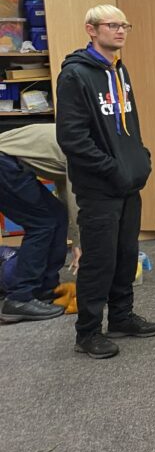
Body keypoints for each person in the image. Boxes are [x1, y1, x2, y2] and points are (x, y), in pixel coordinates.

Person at [56, 4, 155, 359]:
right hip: (99, 187)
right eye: (112, 25)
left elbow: (129, 123)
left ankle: (121, 317)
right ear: (91, 29)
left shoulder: (119, 69)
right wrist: (113, 168)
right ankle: (87, 333)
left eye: (124, 25)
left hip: (127, 183)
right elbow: (72, 139)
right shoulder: (75, 75)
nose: (120, 31)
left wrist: (140, 157)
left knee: (125, 254)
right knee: (100, 260)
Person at [0, 124, 80, 323]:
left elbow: (65, 191)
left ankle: (44, 288)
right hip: (4, 163)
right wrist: (79, 243)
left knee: (57, 216)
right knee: (41, 224)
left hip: (9, 162)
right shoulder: (81, 148)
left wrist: (74, 236)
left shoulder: (79, 137)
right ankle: (19, 298)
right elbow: (76, 198)